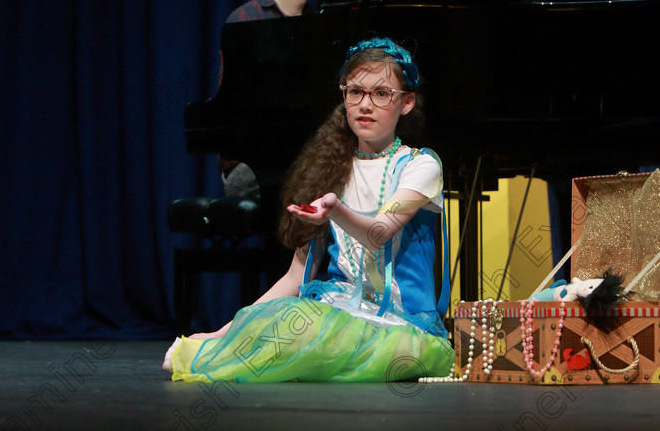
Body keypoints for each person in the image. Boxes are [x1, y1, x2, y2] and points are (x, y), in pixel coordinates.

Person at [163, 37, 454, 382]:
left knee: (312, 334)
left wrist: (335, 209)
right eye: (355, 92)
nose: (365, 104)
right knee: (284, 321)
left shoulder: (421, 165)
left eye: (381, 93)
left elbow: (379, 232)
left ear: (406, 103)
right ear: (343, 96)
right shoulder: (330, 168)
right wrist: (223, 332)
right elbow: (294, 277)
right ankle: (222, 351)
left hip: (403, 326)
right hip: (339, 308)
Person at [221, 0, 339, 197]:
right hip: (251, 166)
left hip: (305, 159)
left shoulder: (322, 26)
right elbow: (234, 110)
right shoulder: (246, 20)